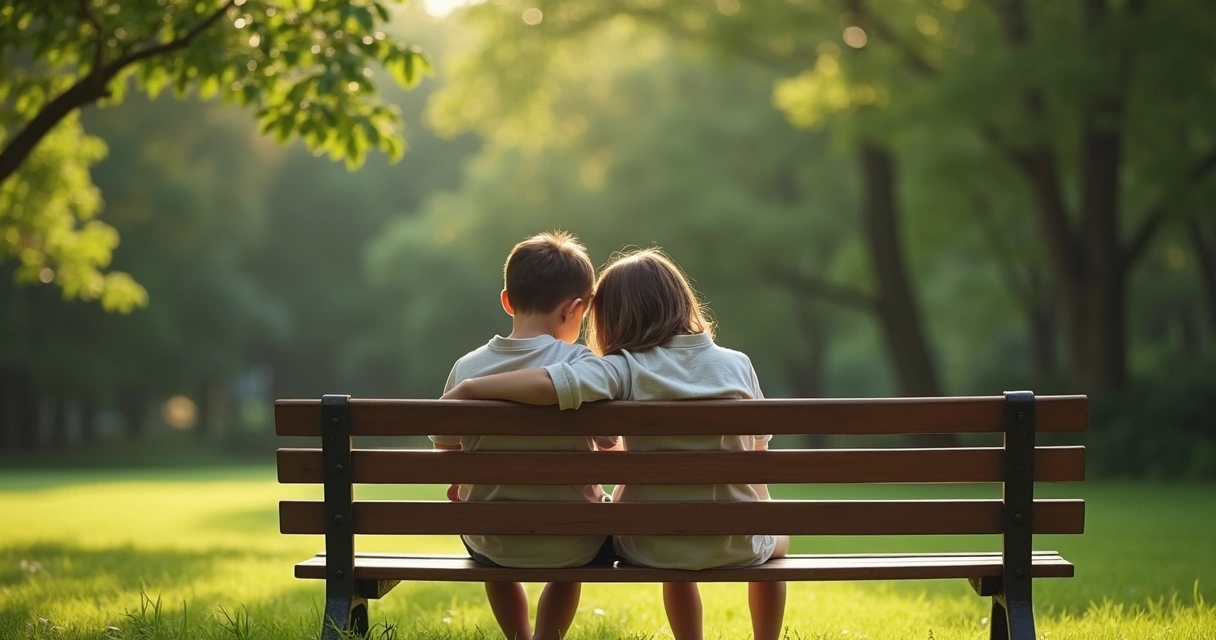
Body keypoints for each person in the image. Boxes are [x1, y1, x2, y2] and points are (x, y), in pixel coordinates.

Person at [443, 248, 789, 640]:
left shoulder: (621, 368)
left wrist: (471, 389)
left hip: (649, 544)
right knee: (776, 529)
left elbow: (551, 386)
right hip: (734, 543)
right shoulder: (737, 364)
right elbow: (757, 459)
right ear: (681, 300)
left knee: (663, 525)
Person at [431, 231, 617, 640]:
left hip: (492, 540)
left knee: (487, 538)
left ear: (507, 300)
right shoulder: (581, 363)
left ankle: (519, 635)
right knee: (577, 552)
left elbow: (445, 443)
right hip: (576, 540)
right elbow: (608, 442)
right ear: (575, 309)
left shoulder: (467, 368)